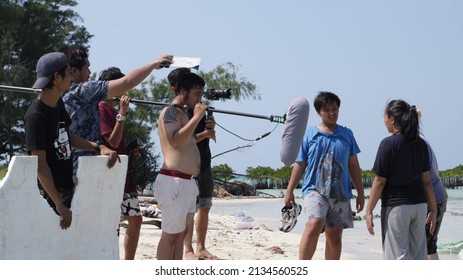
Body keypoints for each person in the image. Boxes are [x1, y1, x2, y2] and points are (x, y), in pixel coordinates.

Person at [24, 52, 119, 230]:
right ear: (56, 77)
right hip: (50, 196)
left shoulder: (58, 104)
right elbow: (40, 165)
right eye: (68, 73)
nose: (71, 77)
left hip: (66, 187)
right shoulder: (36, 116)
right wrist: (59, 204)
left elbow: (67, 137)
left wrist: (98, 147)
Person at [59, 45, 172, 177]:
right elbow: (127, 82)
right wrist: (154, 64)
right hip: (83, 169)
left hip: (69, 167)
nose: (90, 72)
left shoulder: (60, 94)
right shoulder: (82, 90)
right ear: (73, 71)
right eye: (86, 67)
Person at [284, 91, 365, 260]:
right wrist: (289, 190)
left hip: (340, 193)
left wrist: (361, 193)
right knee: (314, 224)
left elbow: (354, 165)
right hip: (314, 190)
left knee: (334, 237)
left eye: (335, 109)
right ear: (319, 112)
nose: (332, 113)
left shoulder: (347, 134)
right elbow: (300, 163)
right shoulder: (311, 134)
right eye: (327, 109)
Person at [365, 100, 437, 260]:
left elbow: (379, 181)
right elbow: (426, 181)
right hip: (419, 206)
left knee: (397, 258)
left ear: (391, 119)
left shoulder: (388, 144)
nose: (383, 120)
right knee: (419, 257)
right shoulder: (420, 144)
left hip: (396, 208)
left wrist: (369, 211)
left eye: (384, 116)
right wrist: (433, 209)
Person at [166, 68, 218, 260]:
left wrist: (209, 129)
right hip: (185, 169)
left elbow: (205, 137)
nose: (199, 97)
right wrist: (204, 133)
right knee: (189, 209)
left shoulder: (198, 109)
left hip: (204, 161)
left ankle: (201, 247)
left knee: (205, 205)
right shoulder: (175, 112)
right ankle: (187, 249)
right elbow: (180, 141)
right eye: (195, 92)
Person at [154, 72, 207, 260]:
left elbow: (186, 143)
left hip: (187, 182)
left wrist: (205, 131)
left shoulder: (184, 113)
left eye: (201, 94)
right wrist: (197, 118)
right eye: (196, 93)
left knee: (180, 235)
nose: (199, 98)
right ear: (183, 90)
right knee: (170, 235)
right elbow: (175, 141)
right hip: (173, 181)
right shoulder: (171, 111)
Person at [98, 67, 142, 260]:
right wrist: (122, 113)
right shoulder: (101, 108)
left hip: (124, 175)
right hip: (111, 176)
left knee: (135, 219)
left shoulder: (111, 109)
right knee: (111, 223)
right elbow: (112, 142)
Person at [416, 109, 448, 260]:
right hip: (436, 196)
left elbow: (425, 179)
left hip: (433, 198)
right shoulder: (418, 136)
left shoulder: (417, 141)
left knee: (428, 246)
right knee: (426, 244)